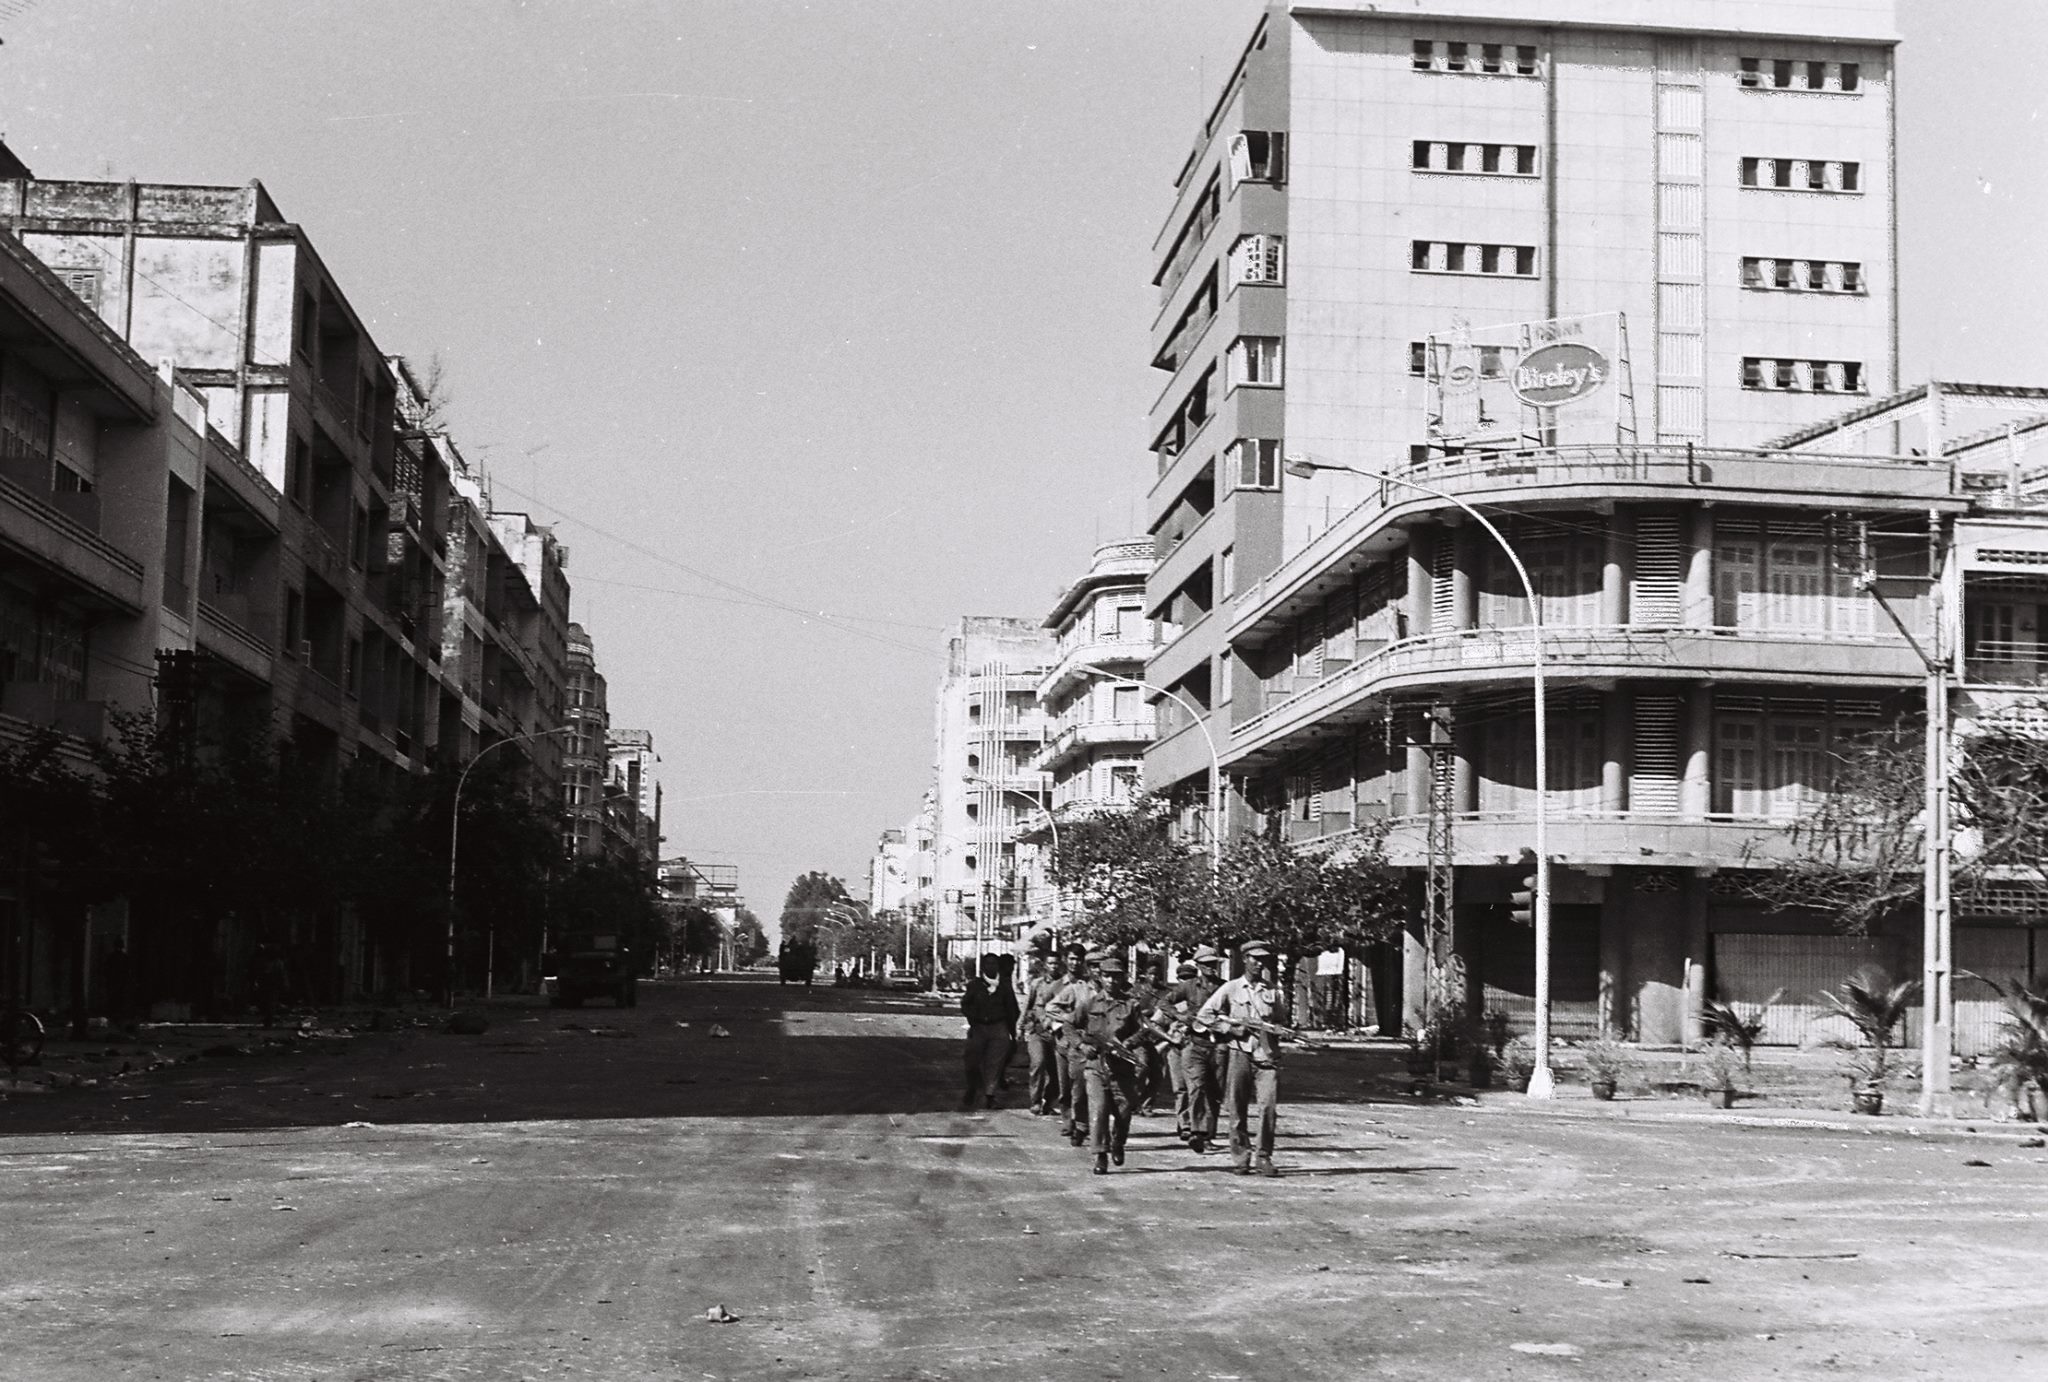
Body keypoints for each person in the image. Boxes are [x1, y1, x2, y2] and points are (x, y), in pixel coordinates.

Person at [1198, 939, 1289, 1177]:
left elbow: (1280, 1019)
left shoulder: (1271, 990)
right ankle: (1241, 1157)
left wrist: (1276, 1029)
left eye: (1263, 960)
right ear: (1245, 960)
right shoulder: (1231, 988)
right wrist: (1230, 1030)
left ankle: (1263, 1157)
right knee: (1237, 1108)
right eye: (1255, 959)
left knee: (1268, 1107)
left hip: (1267, 1055)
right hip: (1239, 1053)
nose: (1259, 964)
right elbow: (1204, 1015)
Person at [1067, 953, 1144, 1176]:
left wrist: (1129, 1042)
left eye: (1116, 977)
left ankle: (1118, 1142)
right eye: (1107, 976)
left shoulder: (1131, 1005)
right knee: (1098, 1110)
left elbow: (1143, 1030)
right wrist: (1082, 1046)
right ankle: (1100, 1155)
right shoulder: (1089, 1003)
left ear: (1123, 978)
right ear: (1101, 977)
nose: (1111, 981)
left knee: (1124, 1111)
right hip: (1096, 1066)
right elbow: (1069, 1026)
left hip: (1122, 1067)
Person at [1175, 946, 1226, 1152]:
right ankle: (1197, 1132)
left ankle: (1208, 1135)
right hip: (1195, 1043)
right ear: (1198, 966)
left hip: (1219, 1045)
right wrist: (1181, 1016)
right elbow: (1164, 1003)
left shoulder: (1225, 987)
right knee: (1196, 1088)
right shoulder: (1188, 987)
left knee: (1215, 1092)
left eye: (1214, 964)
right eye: (1206, 964)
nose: (1211, 968)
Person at [959, 953, 1018, 1108]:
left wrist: (1012, 1033)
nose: (991, 966)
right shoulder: (975, 985)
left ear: (998, 966)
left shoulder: (1004, 987)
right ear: (983, 966)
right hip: (978, 1027)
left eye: (994, 963)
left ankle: (989, 1095)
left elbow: (1012, 1009)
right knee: (971, 1061)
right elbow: (965, 1005)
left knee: (994, 1063)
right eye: (988, 963)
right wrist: (973, 1019)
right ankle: (972, 1088)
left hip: (999, 1027)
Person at [1020, 951, 1067, 1115]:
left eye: (1056, 963)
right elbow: (1027, 1005)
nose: (1053, 966)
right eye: (1051, 963)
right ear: (1045, 965)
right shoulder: (1037, 984)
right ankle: (1035, 1101)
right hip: (1038, 1031)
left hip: (1058, 1034)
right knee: (1038, 1064)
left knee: (1057, 1073)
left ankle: (1048, 1100)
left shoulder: (1066, 984)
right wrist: (1020, 1026)